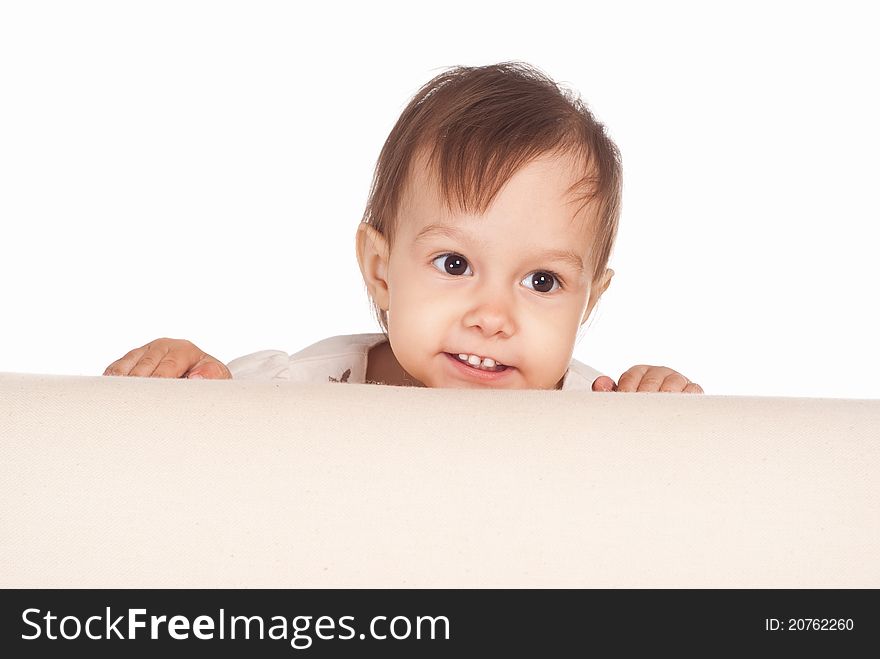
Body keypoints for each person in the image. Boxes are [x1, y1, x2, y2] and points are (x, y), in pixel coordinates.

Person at [104, 62, 703, 394]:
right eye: (455, 264)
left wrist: (665, 417)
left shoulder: (602, 414)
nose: (492, 317)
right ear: (381, 271)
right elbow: (214, 437)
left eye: (542, 281)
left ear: (590, 300)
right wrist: (192, 375)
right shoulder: (307, 391)